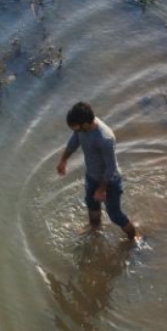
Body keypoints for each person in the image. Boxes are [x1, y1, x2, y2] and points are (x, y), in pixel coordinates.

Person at [56, 102, 138, 240]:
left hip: (110, 181)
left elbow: (111, 167)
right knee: (92, 205)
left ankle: (135, 237)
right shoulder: (81, 129)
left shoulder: (105, 138)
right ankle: (94, 229)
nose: (75, 131)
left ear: (86, 124)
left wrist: (102, 189)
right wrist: (63, 160)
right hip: (92, 176)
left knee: (115, 215)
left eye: (76, 128)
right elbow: (74, 142)